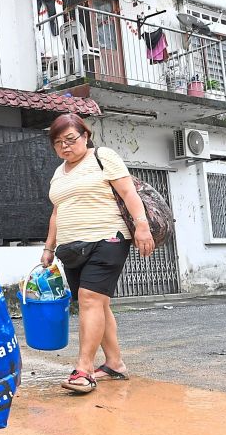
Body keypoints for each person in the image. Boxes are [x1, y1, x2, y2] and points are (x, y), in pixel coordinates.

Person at [41, 114, 154, 394]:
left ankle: (84, 369)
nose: (65, 147)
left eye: (70, 139)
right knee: (97, 304)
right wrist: (49, 247)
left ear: (85, 135)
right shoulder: (59, 173)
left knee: (90, 299)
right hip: (71, 248)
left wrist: (142, 227)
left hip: (108, 238)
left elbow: (129, 193)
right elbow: (57, 212)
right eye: (58, 143)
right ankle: (115, 364)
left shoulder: (103, 157)